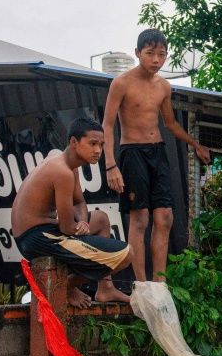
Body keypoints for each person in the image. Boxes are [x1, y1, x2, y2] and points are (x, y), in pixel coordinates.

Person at [102, 28, 211, 283]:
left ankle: (159, 283)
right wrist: (110, 165)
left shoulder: (164, 86)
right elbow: (107, 125)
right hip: (132, 152)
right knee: (139, 220)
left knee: (165, 217)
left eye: (161, 55)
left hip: (158, 152)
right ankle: (141, 284)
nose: (155, 60)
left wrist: (195, 144)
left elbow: (170, 124)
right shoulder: (121, 83)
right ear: (138, 53)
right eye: (150, 53)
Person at [11, 118, 132, 308]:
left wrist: (83, 222)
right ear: (74, 142)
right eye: (92, 144)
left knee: (100, 219)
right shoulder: (62, 172)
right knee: (125, 255)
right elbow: (67, 227)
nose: (98, 151)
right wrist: (78, 227)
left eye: (101, 145)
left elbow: (79, 202)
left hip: (44, 230)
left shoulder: (69, 166)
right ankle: (65, 287)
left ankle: (106, 288)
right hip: (34, 238)